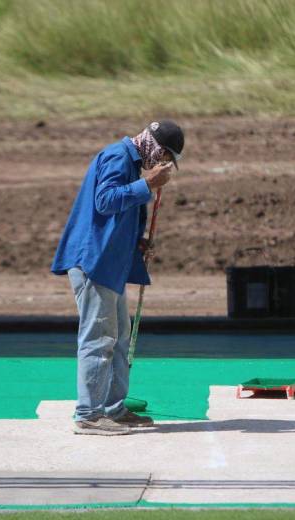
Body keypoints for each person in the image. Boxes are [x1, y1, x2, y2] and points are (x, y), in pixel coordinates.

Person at [51, 120, 185, 435]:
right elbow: (105, 201)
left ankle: (113, 408)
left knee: (119, 338)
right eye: (164, 155)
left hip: (111, 265)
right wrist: (146, 185)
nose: (162, 163)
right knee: (98, 339)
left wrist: (138, 242)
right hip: (94, 263)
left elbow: (117, 215)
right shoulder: (118, 157)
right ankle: (89, 414)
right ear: (156, 146)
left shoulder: (131, 162)